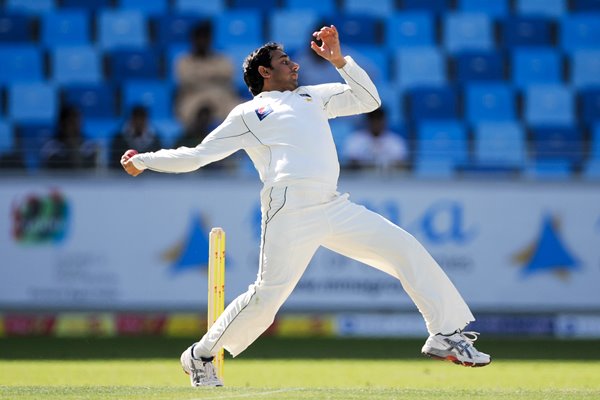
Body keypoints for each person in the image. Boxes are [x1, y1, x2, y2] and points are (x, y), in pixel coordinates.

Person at [121, 25, 491, 387]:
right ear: (265, 72)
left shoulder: (313, 96)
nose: (295, 65)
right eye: (285, 62)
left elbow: (369, 101)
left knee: (404, 248)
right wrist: (145, 160)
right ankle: (199, 356)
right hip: (289, 207)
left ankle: (444, 334)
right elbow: (197, 156)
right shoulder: (249, 114)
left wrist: (340, 60)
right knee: (266, 299)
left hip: (332, 204)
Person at [175, 20, 241, 127]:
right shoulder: (183, 60)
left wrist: (200, 74)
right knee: (190, 113)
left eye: (205, 38)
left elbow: (228, 74)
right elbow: (186, 80)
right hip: (194, 98)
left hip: (222, 98)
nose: (202, 41)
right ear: (193, 40)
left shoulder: (222, 58)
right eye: (199, 38)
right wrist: (214, 74)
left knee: (240, 110)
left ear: (210, 40)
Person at [343, 107, 409, 171]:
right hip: (360, 179)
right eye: (373, 120)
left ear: (384, 121)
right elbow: (351, 161)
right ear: (367, 121)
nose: (376, 123)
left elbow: (401, 163)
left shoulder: (395, 141)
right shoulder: (355, 139)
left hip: (389, 179)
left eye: (379, 120)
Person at [41, 105, 98, 170]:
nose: (75, 126)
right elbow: (58, 170)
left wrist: (74, 144)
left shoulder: (89, 146)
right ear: (62, 124)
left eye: (78, 121)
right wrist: (70, 142)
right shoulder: (51, 147)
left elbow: (85, 169)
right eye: (71, 122)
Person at [109, 105, 162, 169]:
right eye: (136, 119)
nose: (139, 122)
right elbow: (115, 165)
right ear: (131, 120)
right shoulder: (119, 139)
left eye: (141, 119)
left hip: (151, 177)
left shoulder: (156, 139)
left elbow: (158, 164)